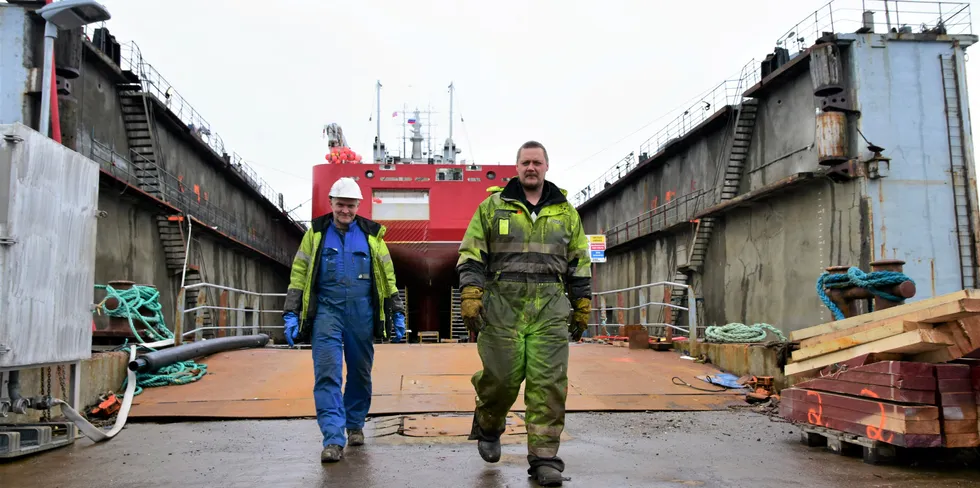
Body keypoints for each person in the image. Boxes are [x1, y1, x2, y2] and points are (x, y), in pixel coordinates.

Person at [456, 140, 592, 486]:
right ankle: (488, 422)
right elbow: (472, 253)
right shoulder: (492, 208)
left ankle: (545, 458)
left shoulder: (566, 213)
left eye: (537, 162)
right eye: (525, 162)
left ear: (547, 167)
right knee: (501, 379)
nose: (531, 168)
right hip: (503, 305)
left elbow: (579, 262)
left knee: (548, 384)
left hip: (550, 306)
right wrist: (472, 292)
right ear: (516, 167)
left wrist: (582, 304)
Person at [281, 176, 406, 463]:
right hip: (327, 311)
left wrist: (397, 312)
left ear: (358, 205)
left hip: (362, 312)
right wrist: (291, 312)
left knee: (360, 373)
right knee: (327, 373)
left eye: (350, 206)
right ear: (331, 204)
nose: (345, 211)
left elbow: (387, 278)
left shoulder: (372, 236)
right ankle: (333, 438)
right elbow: (299, 273)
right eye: (340, 205)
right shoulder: (315, 234)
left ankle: (355, 424)